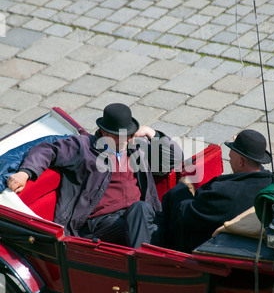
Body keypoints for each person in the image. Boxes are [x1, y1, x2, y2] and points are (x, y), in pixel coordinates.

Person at [7, 103, 183, 249]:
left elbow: (175, 157)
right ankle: (147, 269)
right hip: (102, 223)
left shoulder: (136, 148)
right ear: (104, 132)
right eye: (119, 137)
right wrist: (25, 172)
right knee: (141, 212)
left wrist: (151, 133)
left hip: (142, 215)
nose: (125, 141)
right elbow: (48, 150)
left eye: (128, 135)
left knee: (179, 205)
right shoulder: (83, 147)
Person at [162, 129, 274, 253]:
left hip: (204, 248)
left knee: (175, 196)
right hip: (249, 245)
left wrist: (182, 191)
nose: (229, 159)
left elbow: (185, 213)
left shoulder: (223, 193)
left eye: (231, 155)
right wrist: (242, 147)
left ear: (241, 162)